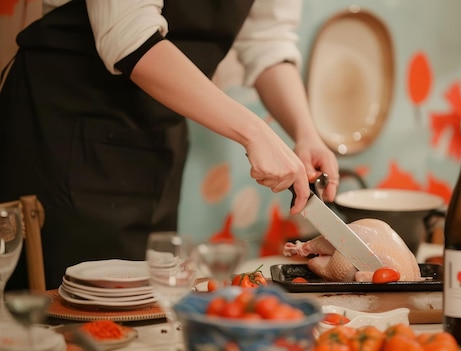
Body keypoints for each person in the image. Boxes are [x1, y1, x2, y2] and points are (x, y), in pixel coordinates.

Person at [0, 0, 339, 291]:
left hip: (154, 137)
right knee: (66, 310)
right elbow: (129, 34)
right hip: (65, 124)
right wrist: (254, 131)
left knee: (149, 304)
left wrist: (305, 132)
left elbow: (267, 41)